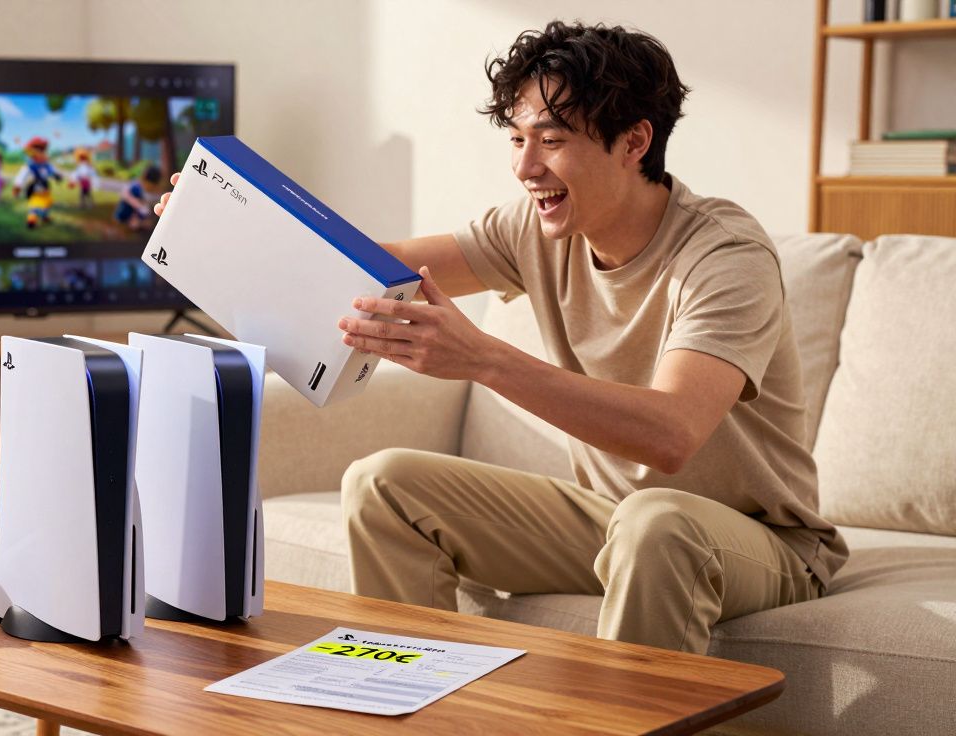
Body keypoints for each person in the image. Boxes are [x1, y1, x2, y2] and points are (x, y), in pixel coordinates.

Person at [153, 21, 847, 654]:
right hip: (614, 519)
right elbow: (365, 270)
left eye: (552, 140)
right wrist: (220, 231)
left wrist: (483, 359)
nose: (525, 167)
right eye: (518, 140)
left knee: (658, 524)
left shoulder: (724, 256)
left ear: (636, 141)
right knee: (383, 484)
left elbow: (671, 436)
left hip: (761, 541)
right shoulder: (533, 228)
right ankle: (411, 710)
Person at [114, 164, 161, 231]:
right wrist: (138, 205)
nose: (149, 187)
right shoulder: (135, 186)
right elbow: (125, 194)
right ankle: (133, 222)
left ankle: (139, 223)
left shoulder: (151, 191)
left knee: (146, 215)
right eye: (147, 184)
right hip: (125, 213)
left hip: (139, 214)